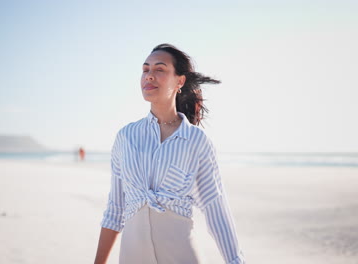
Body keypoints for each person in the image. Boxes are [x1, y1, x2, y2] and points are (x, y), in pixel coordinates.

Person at [94, 44, 245, 264]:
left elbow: (216, 208)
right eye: (146, 70)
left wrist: (235, 260)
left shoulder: (196, 141)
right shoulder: (126, 137)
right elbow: (115, 210)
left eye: (160, 69)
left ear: (180, 81)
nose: (149, 76)